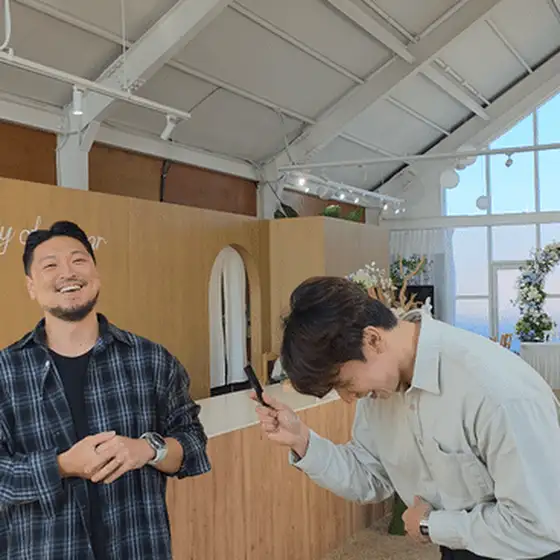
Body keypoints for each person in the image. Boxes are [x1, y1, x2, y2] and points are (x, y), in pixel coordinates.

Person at [253, 276, 560, 560]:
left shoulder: (495, 391)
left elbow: (538, 526)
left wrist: (431, 524)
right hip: (461, 548)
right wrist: (302, 440)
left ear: (372, 340)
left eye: (344, 383)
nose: (347, 398)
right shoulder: (379, 392)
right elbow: (370, 475)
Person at [0, 220, 211, 559]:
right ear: (31, 286)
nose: (68, 272)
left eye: (78, 260)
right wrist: (61, 465)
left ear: (96, 274)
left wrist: (148, 449)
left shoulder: (151, 360)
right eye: (50, 265)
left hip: (138, 547)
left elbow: (194, 445)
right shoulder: (5, 373)